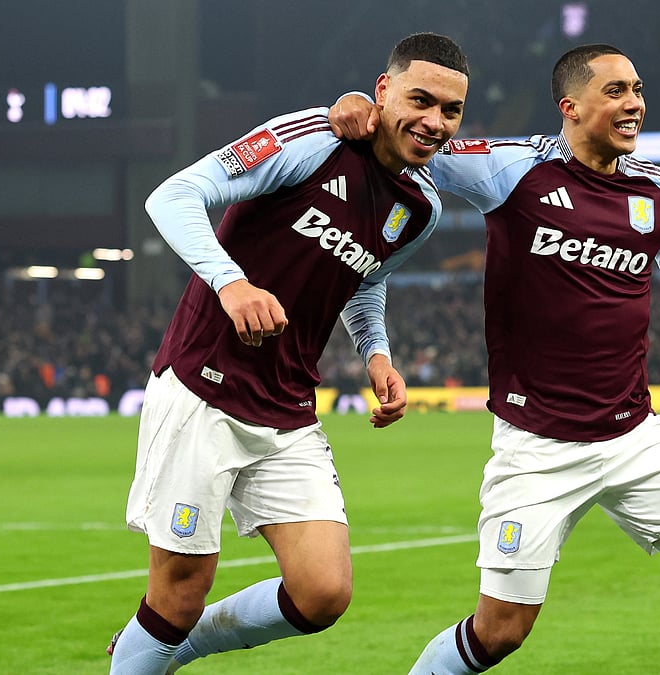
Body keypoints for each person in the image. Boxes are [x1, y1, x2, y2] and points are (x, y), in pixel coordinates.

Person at [332, 43, 660, 674]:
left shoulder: (659, 192)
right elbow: (404, 143)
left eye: (637, 89)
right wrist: (361, 105)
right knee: (499, 633)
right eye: (616, 92)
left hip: (634, 438)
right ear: (570, 107)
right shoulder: (510, 170)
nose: (634, 103)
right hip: (536, 448)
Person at [106, 33, 469, 675]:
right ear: (382, 92)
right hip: (204, 389)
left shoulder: (420, 208)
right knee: (180, 588)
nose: (434, 122)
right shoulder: (313, 139)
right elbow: (172, 196)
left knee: (323, 591)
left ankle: (174, 644)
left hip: (287, 405)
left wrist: (377, 352)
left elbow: (367, 279)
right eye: (420, 99)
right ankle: (156, 642)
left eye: (451, 110)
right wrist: (231, 282)